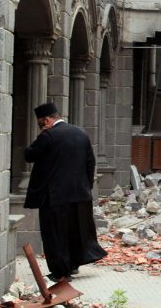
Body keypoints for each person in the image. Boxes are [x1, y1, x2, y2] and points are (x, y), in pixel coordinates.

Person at [24, 102, 107, 282]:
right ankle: (73, 264)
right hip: (79, 194)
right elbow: (90, 163)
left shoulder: (48, 136)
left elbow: (29, 155)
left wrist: (41, 134)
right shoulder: (81, 133)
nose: (41, 127)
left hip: (55, 196)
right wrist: (86, 186)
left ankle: (60, 272)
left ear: (46, 120)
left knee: (55, 234)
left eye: (40, 123)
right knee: (75, 230)